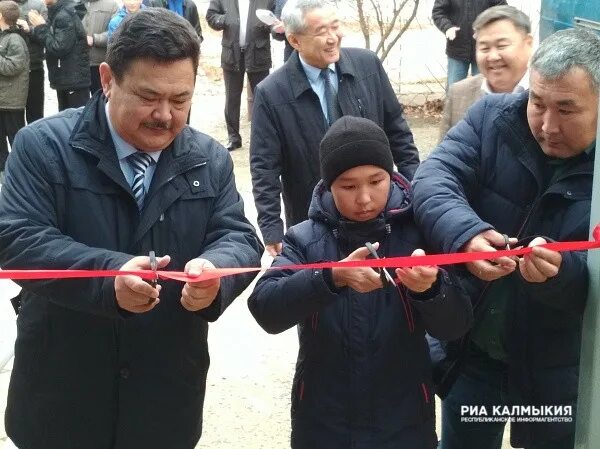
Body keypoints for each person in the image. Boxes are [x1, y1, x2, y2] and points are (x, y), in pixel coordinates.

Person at [0, 8, 263, 449]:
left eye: (181, 100)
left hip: (164, 400)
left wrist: (215, 272)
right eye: (148, 96)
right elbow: (17, 239)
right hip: (61, 397)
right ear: (107, 79)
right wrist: (110, 277)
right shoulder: (44, 147)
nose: (165, 115)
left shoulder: (208, 158)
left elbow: (239, 237)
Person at [412, 28, 599, 449]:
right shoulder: (492, 117)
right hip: (476, 354)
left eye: (567, 109)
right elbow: (433, 179)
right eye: (538, 103)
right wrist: (466, 235)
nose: (548, 126)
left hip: (559, 369)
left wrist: (560, 275)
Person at [249, 115, 472, 449]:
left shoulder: (419, 234)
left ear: (392, 176)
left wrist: (432, 290)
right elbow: (266, 308)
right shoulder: (305, 241)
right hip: (324, 422)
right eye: (349, 186)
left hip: (405, 419)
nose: (365, 198)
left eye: (376, 181)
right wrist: (329, 277)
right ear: (327, 185)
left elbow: (457, 326)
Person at [250, 0, 419, 257]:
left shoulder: (367, 65)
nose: (332, 38)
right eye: (321, 31)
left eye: (335, 27)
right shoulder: (272, 92)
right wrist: (272, 227)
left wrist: (414, 189)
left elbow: (398, 131)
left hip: (375, 209)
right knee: (327, 287)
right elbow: (264, 166)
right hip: (313, 216)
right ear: (295, 41)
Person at [439, 5, 533, 139]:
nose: (493, 57)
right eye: (484, 48)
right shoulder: (459, 94)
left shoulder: (548, 93)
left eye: (502, 46)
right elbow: (442, 156)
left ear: (528, 43)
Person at [206, 0, 274, 151]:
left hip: (258, 53)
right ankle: (234, 138)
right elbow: (211, 16)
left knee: (262, 98)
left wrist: (271, 24)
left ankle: (261, 138)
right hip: (232, 53)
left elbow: (276, 20)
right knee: (232, 98)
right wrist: (225, 20)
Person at [28, 0, 90, 110]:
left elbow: (59, 47)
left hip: (72, 78)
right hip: (66, 77)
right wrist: (31, 30)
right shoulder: (58, 11)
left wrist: (40, 26)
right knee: (67, 120)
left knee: (75, 121)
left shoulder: (64, 15)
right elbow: (51, 36)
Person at [432, 0, 506, 88]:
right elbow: (438, 12)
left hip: (484, 50)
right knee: (454, 89)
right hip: (457, 49)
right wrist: (447, 27)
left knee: (483, 90)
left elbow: (502, 10)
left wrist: (486, 28)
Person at [0, 0, 29, 183]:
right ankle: (3, 169)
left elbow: (13, 67)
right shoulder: (3, 37)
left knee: (16, 137)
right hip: (2, 99)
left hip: (12, 101)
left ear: (2, 17)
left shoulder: (15, 39)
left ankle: (22, 172)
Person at [14, 0, 45, 123]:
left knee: (35, 114)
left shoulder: (38, 5)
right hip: (10, 70)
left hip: (34, 67)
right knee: (13, 116)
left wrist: (29, 29)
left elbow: (46, 36)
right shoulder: (4, 5)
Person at [82, 0, 119, 94]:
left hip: (99, 62)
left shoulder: (112, 5)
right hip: (79, 64)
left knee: (101, 98)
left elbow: (115, 33)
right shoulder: (76, 4)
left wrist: (94, 39)